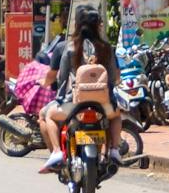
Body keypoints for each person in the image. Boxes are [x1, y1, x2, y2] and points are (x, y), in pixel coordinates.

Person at [40, 12, 118, 174]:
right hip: (103, 104)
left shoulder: (69, 48)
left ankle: (56, 152)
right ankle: (115, 150)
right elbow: (115, 78)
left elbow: (62, 78)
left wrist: (60, 97)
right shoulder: (106, 48)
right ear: (98, 26)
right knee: (116, 116)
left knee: (47, 115)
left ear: (77, 25)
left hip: (75, 103)